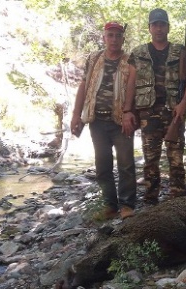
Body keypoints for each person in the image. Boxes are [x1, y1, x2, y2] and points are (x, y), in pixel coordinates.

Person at [122, 8, 186, 205]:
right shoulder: (138, 53)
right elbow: (131, 83)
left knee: (176, 160)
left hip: (174, 113)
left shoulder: (180, 51)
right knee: (150, 161)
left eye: (162, 24)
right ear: (149, 28)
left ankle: (179, 200)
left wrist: (183, 104)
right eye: (155, 24)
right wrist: (127, 111)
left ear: (168, 27)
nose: (159, 28)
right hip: (148, 114)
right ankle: (150, 201)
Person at [70, 21, 137, 219]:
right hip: (97, 121)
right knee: (103, 165)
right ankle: (109, 204)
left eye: (118, 35)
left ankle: (127, 205)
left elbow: (133, 87)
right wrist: (76, 114)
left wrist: (128, 112)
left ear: (123, 39)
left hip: (120, 121)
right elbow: (84, 86)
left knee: (126, 164)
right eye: (110, 35)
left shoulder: (130, 60)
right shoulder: (94, 58)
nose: (114, 39)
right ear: (104, 37)